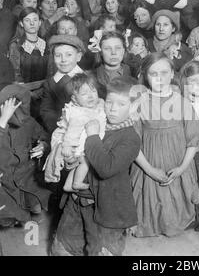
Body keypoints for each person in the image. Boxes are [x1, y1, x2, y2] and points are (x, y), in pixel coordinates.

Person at [50, 78, 141, 256]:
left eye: (121, 104)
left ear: (133, 108)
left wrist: (92, 137)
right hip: (77, 199)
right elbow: (75, 152)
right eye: (109, 102)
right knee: (63, 248)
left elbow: (106, 168)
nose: (113, 108)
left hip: (107, 205)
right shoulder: (96, 118)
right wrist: (69, 158)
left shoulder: (131, 138)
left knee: (100, 250)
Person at [130, 52, 199, 237]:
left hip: (178, 162)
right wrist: (150, 170)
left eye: (164, 72)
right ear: (145, 76)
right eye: (153, 74)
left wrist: (181, 168)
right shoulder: (138, 104)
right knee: (149, 207)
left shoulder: (184, 104)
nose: (159, 78)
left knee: (176, 203)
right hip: (148, 162)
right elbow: (133, 144)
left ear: (172, 74)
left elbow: (193, 141)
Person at [44, 74, 106, 192]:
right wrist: (67, 146)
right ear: (74, 99)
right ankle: (77, 183)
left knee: (78, 165)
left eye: (93, 91)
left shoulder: (93, 105)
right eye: (84, 94)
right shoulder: (78, 113)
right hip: (75, 143)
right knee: (85, 161)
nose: (90, 96)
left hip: (85, 139)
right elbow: (72, 131)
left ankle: (68, 185)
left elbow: (100, 106)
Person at [0, 85, 50, 227]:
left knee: (37, 207)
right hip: (4, 179)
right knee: (9, 214)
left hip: (25, 176)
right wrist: (2, 122)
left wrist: (43, 146)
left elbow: (44, 136)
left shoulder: (29, 123)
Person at [40, 34, 86, 134]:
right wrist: (59, 129)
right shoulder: (50, 83)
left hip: (84, 130)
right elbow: (46, 111)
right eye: (58, 55)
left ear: (78, 56)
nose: (63, 60)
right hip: (58, 130)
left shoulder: (88, 79)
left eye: (69, 55)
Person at [8, 8, 49, 84]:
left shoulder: (45, 44)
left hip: (45, 88)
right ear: (21, 23)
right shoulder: (16, 45)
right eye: (27, 20)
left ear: (40, 23)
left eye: (35, 20)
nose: (32, 23)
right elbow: (15, 74)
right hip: (25, 90)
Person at [90, 31, 132, 97]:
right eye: (107, 48)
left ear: (123, 50)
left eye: (118, 48)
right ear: (100, 52)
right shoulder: (92, 77)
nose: (113, 53)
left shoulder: (135, 73)